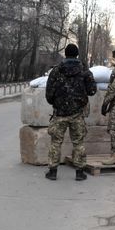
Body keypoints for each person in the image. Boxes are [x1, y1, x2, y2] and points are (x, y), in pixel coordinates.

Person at [45, 44, 97, 181]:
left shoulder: (56, 71)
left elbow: (49, 94)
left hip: (59, 113)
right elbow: (92, 90)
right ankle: (79, 172)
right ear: (77, 54)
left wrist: (56, 102)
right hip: (77, 113)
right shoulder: (84, 70)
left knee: (56, 142)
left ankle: (53, 172)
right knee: (78, 143)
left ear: (66, 54)